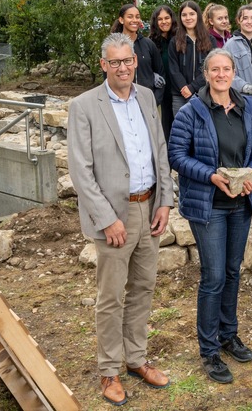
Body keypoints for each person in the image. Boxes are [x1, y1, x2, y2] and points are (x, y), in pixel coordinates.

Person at [67, 33, 173, 406]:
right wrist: (107, 219)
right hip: (114, 215)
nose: (124, 68)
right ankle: (109, 369)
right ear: (104, 65)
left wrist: (165, 201)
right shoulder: (84, 106)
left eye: (128, 61)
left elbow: (160, 150)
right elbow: (81, 170)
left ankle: (136, 358)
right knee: (111, 296)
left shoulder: (146, 96)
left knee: (143, 288)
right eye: (115, 63)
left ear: (135, 61)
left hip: (150, 208)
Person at [168, 48, 252, 384]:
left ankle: (229, 335)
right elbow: (177, 155)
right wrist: (211, 175)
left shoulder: (247, 107)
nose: (221, 74)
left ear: (233, 72)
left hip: (240, 203)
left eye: (226, 69)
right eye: (215, 69)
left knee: (232, 271)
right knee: (213, 277)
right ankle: (209, 349)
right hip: (208, 204)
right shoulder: (190, 112)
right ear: (206, 74)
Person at [110, 4, 166, 108]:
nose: (135, 20)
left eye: (137, 16)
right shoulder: (113, 46)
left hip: (148, 103)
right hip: (121, 104)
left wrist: (155, 101)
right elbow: (108, 77)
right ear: (121, 20)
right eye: (130, 16)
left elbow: (161, 74)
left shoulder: (148, 44)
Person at [168, 1, 217, 117]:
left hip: (204, 93)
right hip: (180, 95)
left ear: (198, 16)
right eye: (184, 15)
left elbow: (212, 67)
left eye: (192, 14)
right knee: (182, 131)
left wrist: (193, 87)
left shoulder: (210, 40)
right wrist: (184, 88)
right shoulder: (174, 41)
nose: (188, 18)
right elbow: (173, 69)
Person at [149, 5, 178, 142]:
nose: (164, 21)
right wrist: (153, 75)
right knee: (166, 124)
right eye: (160, 19)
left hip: (178, 88)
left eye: (167, 18)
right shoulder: (150, 42)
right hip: (162, 90)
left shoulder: (180, 39)